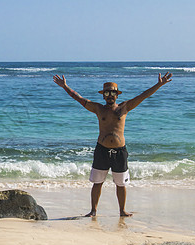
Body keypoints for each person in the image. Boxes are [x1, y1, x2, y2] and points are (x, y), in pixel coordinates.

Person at [53, 72, 173, 217]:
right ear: (103, 95)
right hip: (102, 151)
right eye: (107, 93)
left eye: (112, 93)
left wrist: (159, 85)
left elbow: (143, 96)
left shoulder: (124, 108)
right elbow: (79, 98)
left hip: (120, 152)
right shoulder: (98, 109)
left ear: (117, 95)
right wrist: (65, 86)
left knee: (121, 184)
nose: (110, 95)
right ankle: (93, 211)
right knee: (97, 182)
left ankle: (122, 211)